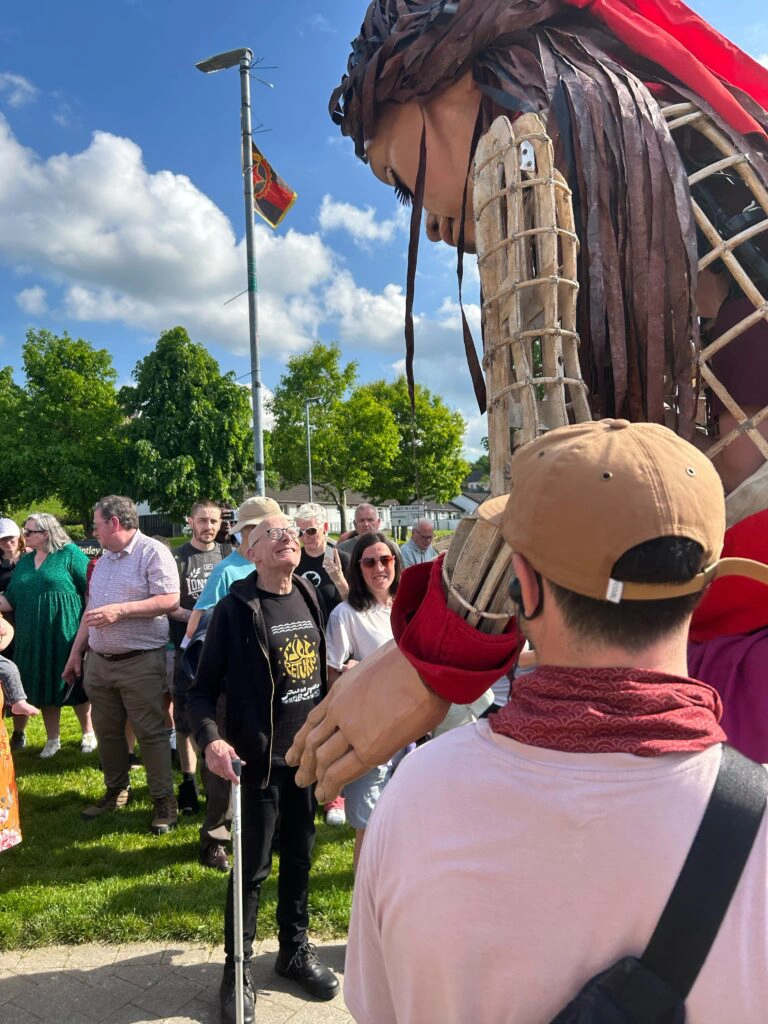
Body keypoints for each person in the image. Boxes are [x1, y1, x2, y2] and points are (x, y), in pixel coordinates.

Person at [343, 419, 768, 1024]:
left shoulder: (418, 794)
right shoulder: (758, 822)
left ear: (525, 587)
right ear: (707, 585)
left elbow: (374, 1008)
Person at [187, 513, 340, 1024]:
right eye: (272, 533)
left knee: (300, 858)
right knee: (251, 871)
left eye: (291, 532)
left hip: (306, 757)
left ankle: (292, 951)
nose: (288, 538)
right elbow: (200, 690)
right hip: (258, 765)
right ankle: (237, 970)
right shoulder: (235, 610)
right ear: (249, 551)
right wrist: (211, 740)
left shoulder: (309, 595)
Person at [63, 496, 180, 835]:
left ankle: (163, 801)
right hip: (99, 662)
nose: (93, 531)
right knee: (107, 731)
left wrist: (121, 611)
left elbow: (169, 599)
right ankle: (116, 791)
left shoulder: (152, 552)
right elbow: (91, 610)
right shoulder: (104, 560)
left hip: (140, 661)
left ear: (114, 523)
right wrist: (76, 654)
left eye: (96, 524)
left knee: (151, 734)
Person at [326, 531, 402, 870]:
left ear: (396, 563)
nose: (379, 568)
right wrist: (351, 671)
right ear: (358, 568)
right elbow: (332, 676)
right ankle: (364, 893)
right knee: (368, 822)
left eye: (385, 560)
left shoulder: (408, 608)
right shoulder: (345, 614)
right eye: (369, 561)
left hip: (415, 730)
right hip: (370, 732)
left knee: (405, 817)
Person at [167, 500, 232, 870]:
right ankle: (190, 782)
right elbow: (171, 605)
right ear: (190, 521)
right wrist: (204, 618)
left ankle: (224, 811)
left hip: (225, 658)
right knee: (190, 725)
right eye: (202, 520)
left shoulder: (229, 557)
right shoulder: (178, 559)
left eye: (214, 520)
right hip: (190, 652)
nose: (208, 526)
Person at [0, 513, 94, 757]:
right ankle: (53, 739)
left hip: (65, 630)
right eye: (25, 530)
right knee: (43, 684)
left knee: (74, 681)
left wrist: (90, 624)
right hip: (32, 634)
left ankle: (88, 733)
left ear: (46, 533)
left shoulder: (69, 554)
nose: (25, 535)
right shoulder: (25, 562)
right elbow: (10, 600)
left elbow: (91, 588)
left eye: (30, 531)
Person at [294, 501, 351, 827]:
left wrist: (340, 580)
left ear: (325, 529)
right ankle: (303, 785)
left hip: (337, 650)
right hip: (303, 648)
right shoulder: (295, 558)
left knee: (335, 719)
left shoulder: (339, 558)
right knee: (307, 717)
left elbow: (359, 604)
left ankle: (334, 794)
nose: (305, 537)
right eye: (300, 532)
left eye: (311, 530)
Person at [183, 496, 281, 645]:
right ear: (254, 530)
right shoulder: (225, 571)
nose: (281, 535)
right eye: (274, 530)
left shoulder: (272, 564)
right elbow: (194, 627)